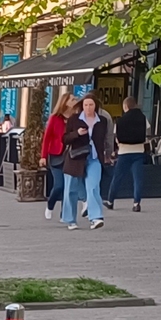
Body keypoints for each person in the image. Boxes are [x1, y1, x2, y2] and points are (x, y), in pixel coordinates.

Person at [62, 96, 106, 229]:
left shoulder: (102, 121)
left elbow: (106, 138)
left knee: (93, 187)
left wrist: (108, 154)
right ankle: (70, 220)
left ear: (95, 106)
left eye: (91, 105)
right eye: (86, 105)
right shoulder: (74, 119)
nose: (88, 108)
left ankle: (96, 217)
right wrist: (77, 133)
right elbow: (65, 139)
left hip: (94, 158)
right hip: (76, 157)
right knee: (71, 189)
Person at [110, 95, 150, 212]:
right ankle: (136, 203)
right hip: (138, 151)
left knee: (117, 177)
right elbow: (147, 131)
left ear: (125, 106)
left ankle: (110, 201)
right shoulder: (143, 118)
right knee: (138, 179)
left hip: (124, 151)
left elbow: (116, 136)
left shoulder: (120, 120)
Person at [40, 103, 68, 219]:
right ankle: (50, 205)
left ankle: (64, 214)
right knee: (59, 185)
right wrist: (43, 156)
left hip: (69, 155)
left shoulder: (75, 118)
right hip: (55, 155)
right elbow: (47, 138)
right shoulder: (54, 118)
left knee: (68, 187)